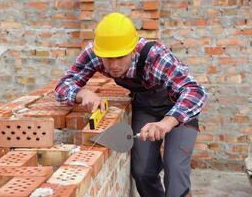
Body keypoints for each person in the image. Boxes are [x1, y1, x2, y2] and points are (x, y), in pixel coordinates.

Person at [54, 12, 207, 197]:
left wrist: (166, 122)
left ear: (133, 50)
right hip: (145, 106)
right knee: (142, 171)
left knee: (174, 167)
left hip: (179, 109)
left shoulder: (155, 56)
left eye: (121, 57)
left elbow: (195, 91)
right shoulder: (95, 53)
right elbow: (62, 86)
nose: (114, 65)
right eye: (108, 58)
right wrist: (81, 93)